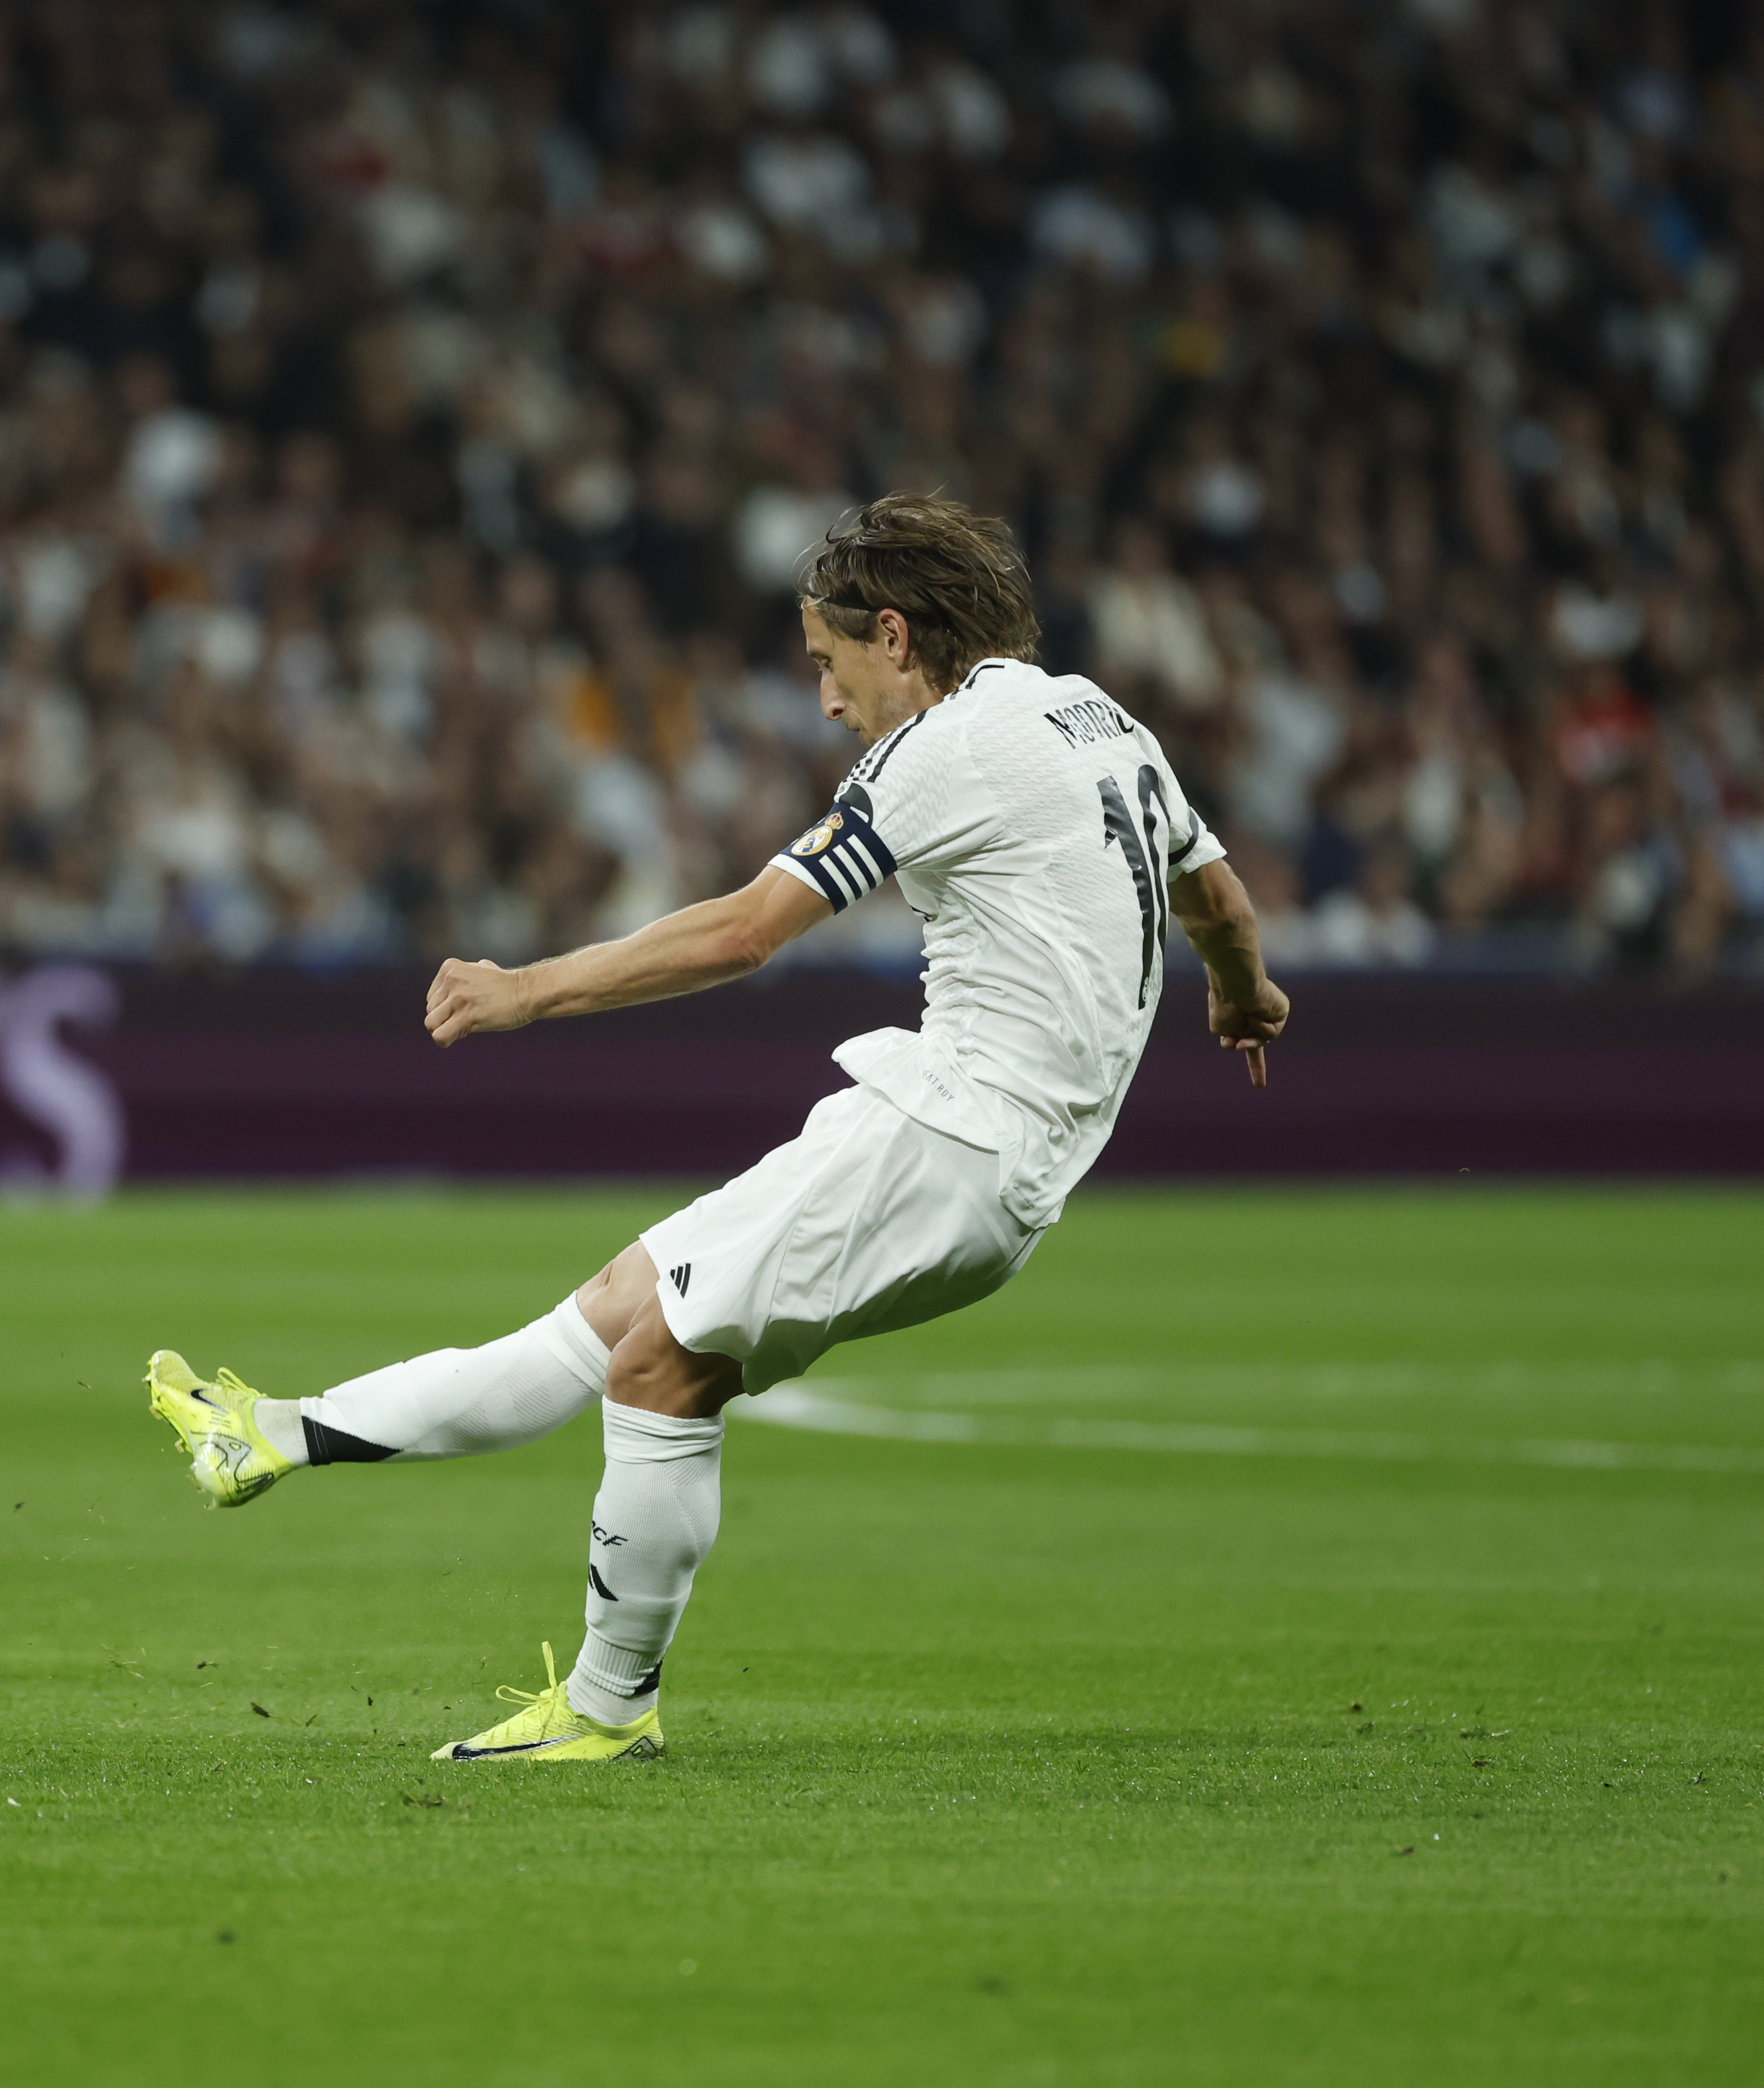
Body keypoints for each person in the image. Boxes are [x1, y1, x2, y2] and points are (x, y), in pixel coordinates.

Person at [146, 494, 1292, 1762]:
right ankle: (271, 1435)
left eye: (827, 661)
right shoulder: (1104, 719)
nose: (825, 700)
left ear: (896, 635)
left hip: (951, 1139)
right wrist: (1242, 1000)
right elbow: (1220, 903)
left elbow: (747, 929)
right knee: (614, 1312)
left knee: (662, 1368)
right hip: (964, 1142)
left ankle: (604, 1707)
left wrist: (531, 987)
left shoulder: (948, 749)